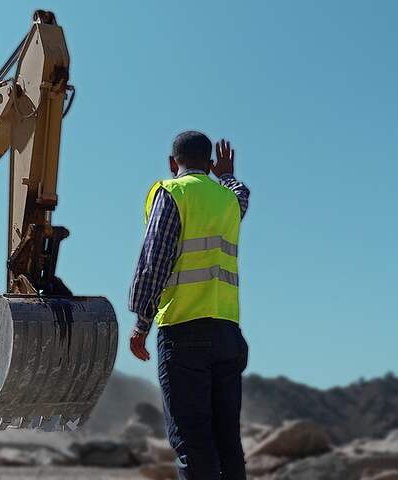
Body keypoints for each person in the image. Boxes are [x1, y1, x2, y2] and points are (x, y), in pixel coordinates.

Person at [129, 131, 250, 479]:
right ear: (210, 165)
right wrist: (226, 175)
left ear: (172, 163)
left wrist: (141, 323)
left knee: (193, 443)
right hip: (228, 334)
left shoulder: (172, 193)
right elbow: (242, 194)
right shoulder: (228, 200)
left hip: (184, 333)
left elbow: (154, 262)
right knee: (227, 442)